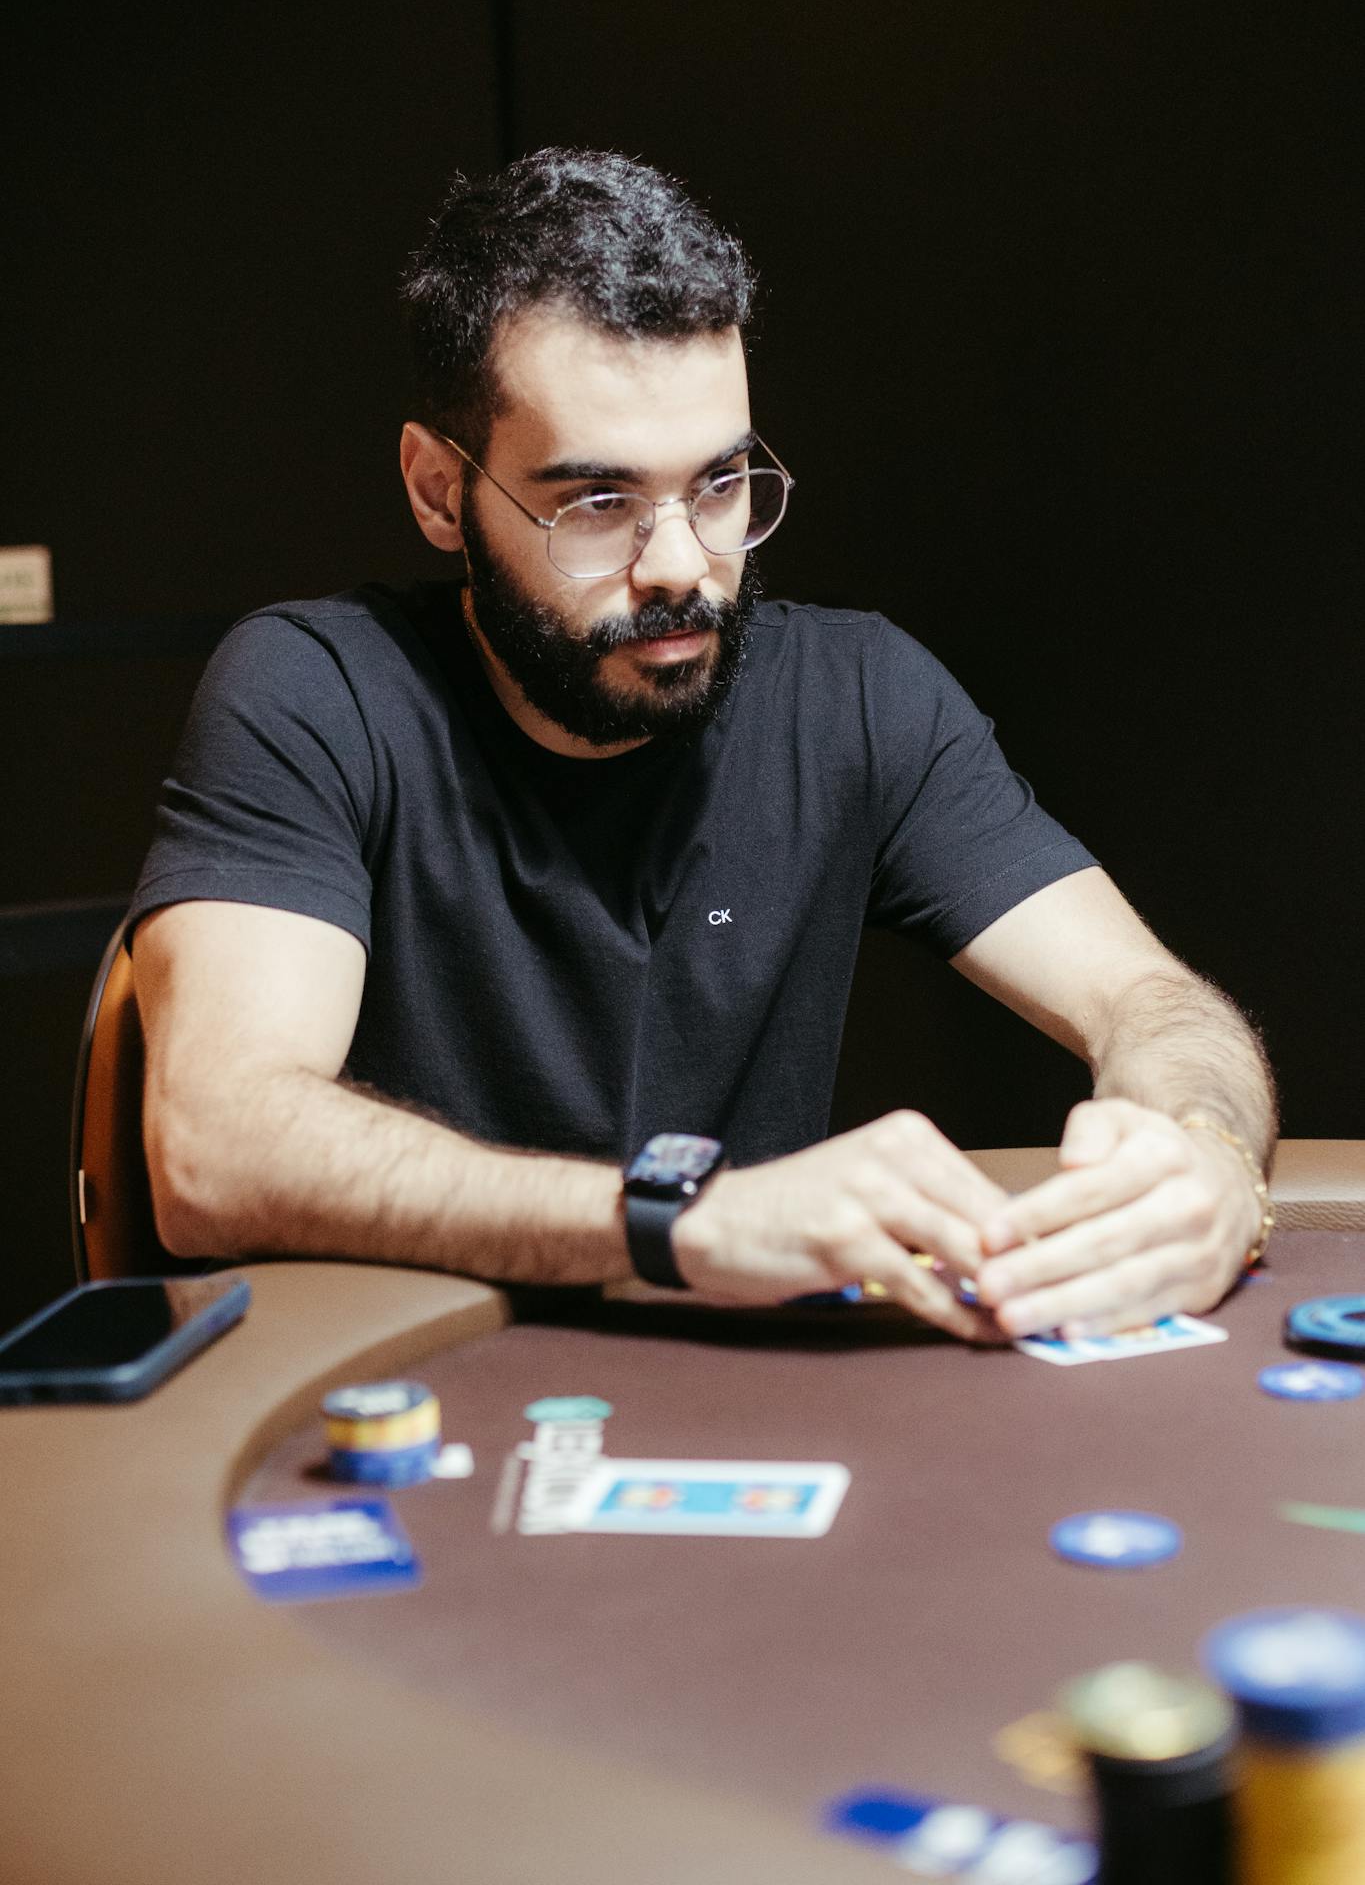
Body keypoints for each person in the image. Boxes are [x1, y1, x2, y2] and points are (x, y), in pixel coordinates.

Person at [130, 148, 1276, 1345]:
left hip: (743, 1393)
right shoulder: (317, 692)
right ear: (437, 489)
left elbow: (1156, 1002)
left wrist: (1207, 1160)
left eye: (721, 481)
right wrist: (682, 1219)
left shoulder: (858, 695)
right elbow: (215, 1146)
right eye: (596, 503)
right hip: (401, 1385)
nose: (680, 563)